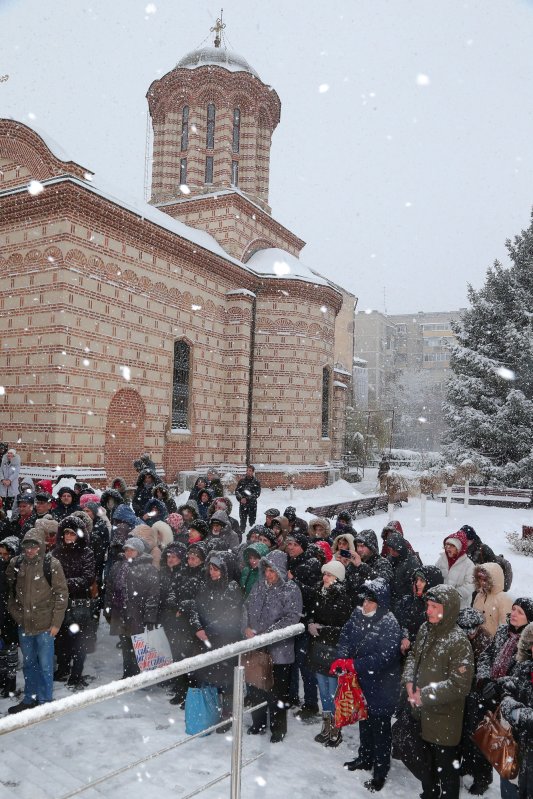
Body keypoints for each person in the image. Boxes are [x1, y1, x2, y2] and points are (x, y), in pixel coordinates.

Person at [403, 584, 474, 799]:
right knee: (426, 767)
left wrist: (423, 695)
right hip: (421, 714)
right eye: (428, 605)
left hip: (444, 720)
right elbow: (413, 657)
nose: (429, 610)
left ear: (449, 609)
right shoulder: (425, 629)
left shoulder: (458, 641)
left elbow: (460, 684)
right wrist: (408, 681)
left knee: (447, 773)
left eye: (434, 606)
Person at [335, 578, 402, 792]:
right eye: (365, 600)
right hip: (360, 682)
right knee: (363, 720)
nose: (365, 605)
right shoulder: (357, 614)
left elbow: (385, 657)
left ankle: (380, 771)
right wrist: (342, 657)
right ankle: (365, 757)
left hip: (382, 685)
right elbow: (345, 636)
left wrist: (354, 664)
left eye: (370, 601)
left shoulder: (390, 623)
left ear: (380, 603)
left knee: (380, 730)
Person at [243, 549, 303, 743]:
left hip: (279, 652)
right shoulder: (258, 586)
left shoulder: (290, 589)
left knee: (277, 691)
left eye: (272, 570)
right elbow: (245, 607)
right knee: (255, 687)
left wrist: (268, 634)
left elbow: (292, 617)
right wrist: (246, 627)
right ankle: (258, 722)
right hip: (256, 648)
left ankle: (278, 728)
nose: (268, 574)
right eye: (266, 569)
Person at [6, 526, 68, 712]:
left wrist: (56, 623)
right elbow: (10, 593)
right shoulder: (16, 563)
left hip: (45, 626)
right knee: (28, 664)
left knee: (46, 665)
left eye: (34, 546)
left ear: (41, 546)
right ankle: (29, 698)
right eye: (27, 546)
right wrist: (17, 615)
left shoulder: (52, 564)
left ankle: (45, 702)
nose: (30, 550)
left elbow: (61, 594)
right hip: (24, 625)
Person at [184, 551, 243, 730]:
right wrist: (198, 628)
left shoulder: (232, 587)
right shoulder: (205, 585)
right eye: (211, 568)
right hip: (205, 640)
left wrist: (207, 630)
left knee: (225, 680)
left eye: (216, 569)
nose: (213, 572)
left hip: (225, 640)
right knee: (207, 676)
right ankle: (210, 710)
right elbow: (194, 606)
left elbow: (230, 616)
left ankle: (227, 714)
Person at [305, 559, 352, 747]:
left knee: (333, 691)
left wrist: (321, 629)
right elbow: (310, 612)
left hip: (333, 651)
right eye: (324, 574)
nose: (325, 577)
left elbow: (343, 628)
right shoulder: (318, 592)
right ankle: (326, 725)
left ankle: (335, 727)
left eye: (329, 575)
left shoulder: (343, 598)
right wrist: (310, 623)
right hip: (318, 648)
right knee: (323, 690)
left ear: (338, 578)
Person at [104, 537, 159, 679]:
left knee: (139, 646)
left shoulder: (149, 569)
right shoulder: (118, 566)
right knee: (126, 645)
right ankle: (128, 674)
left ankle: (140, 676)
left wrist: (149, 617)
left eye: (132, 550)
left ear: (139, 551)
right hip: (121, 612)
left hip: (137, 614)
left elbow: (153, 594)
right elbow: (110, 589)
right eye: (126, 549)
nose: (128, 552)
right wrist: (108, 609)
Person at [52, 515, 96, 688]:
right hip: (61, 603)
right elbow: (51, 575)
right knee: (61, 639)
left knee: (79, 640)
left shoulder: (86, 552)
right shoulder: (56, 552)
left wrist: (63, 584)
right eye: (66, 533)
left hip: (80, 602)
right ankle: (63, 669)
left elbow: (87, 578)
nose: (69, 537)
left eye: (72, 533)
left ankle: (76, 673)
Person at [456, 608, 493, 796]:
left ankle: (483, 777)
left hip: (478, 696)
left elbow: (481, 670)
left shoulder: (485, 641)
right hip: (464, 693)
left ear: (477, 626)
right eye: (464, 628)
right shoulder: (460, 638)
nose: (468, 633)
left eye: (471, 629)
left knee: (478, 737)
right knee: (465, 734)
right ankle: (468, 764)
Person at [501, 621, 533, 799]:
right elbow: (508, 692)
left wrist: (521, 714)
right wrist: (511, 707)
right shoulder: (525, 668)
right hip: (517, 747)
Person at [395, 565, 444, 655]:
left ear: (431, 584)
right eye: (416, 580)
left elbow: (432, 639)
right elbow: (399, 623)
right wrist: (404, 637)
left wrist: (411, 646)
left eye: (422, 581)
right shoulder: (407, 601)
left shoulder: (438, 608)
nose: (417, 584)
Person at [0, 536, 20, 697]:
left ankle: (10, 683)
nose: (3, 557)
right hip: (2, 613)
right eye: (1, 554)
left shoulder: (19, 569)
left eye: (7, 554)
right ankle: (2, 680)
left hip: (12, 615)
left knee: (11, 650)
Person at [435, 530, 475, 609]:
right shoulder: (442, 559)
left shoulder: (469, 565)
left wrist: (454, 594)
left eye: (452, 546)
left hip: (460, 606)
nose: (448, 548)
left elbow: (471, 585)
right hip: (441, 604)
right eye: (447, 545)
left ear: (459, 548)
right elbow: (435, 576)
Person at [472, 561, 513, 638]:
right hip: (477, 640)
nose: (482, 582)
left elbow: (506, 627)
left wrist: (495, 644)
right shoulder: (479, 595)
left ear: (494, 579)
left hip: (493, 643)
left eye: (485, 579)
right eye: (480, 578)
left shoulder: (503, 599)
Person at [385, 532, 421, 613]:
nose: (391, 552)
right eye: (390, 549)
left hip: (403, 605)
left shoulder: (412, 563)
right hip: (391, 601)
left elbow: (412, 589)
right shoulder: (390, 558)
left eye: (394, 549)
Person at [235, 465, 261, 534]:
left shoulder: (256, 482)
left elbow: (257, 493)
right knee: (242, 520)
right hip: (243, 505)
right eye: (247, 470)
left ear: (253, 472)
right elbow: (237, 491)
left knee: (252, 521)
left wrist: (247, 498)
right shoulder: (242, 481)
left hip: (252, 505)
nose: (248, 472)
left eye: (250, 471)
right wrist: (241, 498)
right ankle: (242, 533)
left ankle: (251, 534)